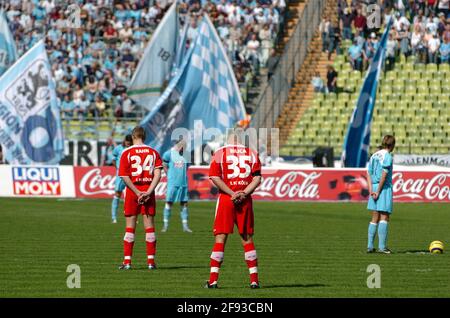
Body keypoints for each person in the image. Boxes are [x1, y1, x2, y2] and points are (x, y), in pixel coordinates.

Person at [205, 132, 262, 289]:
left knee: (220, 238)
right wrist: (244, 193)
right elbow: (257, 178)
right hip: (245, 200)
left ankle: (213, 280)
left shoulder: (220, 153)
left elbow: (215, 177)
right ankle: (254, 280)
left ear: (228, 139)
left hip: (226, 199)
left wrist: (232, 193)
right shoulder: (252, 153)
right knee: (247, 238)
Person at [118, 126, 163, 270]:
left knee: (130, 227)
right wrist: (148, 192)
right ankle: (151, 262)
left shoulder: (126, 152)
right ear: (145, 136)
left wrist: (137, 192)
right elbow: (158, 174)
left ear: (132, 136)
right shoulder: (153, 152)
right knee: (149, 227)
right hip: (148, 190)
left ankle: (127, 262)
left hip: (133, 191)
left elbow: (124, 176)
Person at [366, 135, 396, 254]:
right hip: (383, 188)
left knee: (374, 217)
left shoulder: (374, 155)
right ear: (392, 145)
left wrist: (371, 190)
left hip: (373, 187)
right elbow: (384, 175)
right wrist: (378, 191)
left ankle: (370, 246)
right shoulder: (387, 156)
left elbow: (368, 173)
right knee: (384, 216)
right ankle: (382, 247)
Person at [161, 138, 192, 233]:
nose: (183, 148)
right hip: (173, 183)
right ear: (178, 145)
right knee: (169, 203)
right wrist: (169, 175)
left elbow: (186, 167)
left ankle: (185, 226)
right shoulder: (168, 153)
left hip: (183, 183)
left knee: (184, 203)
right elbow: (164, 164)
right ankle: (165, 226)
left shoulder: (186, 154)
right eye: (182, 146)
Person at [110, 134, 132, 223]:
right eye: (127, 142)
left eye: (130, 143)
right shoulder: (118, 148)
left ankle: (130, 215)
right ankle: (114, 217)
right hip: (121, 176)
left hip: (131, 175)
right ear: (125, 141)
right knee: (117, 194)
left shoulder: (133, 149)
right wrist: (118, 169)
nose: (128, 144)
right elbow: (113, 159)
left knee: (130, 197)